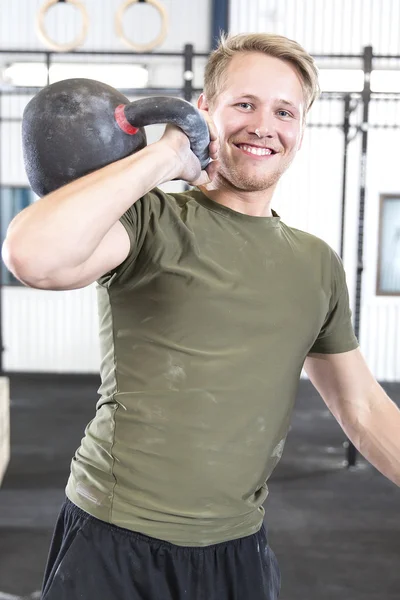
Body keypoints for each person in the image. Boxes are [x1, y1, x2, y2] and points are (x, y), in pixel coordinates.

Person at [3, 32, 400, 600]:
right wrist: (165, 154)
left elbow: (363, 409)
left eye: (284, 111)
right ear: (205, 110)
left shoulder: (316, 264)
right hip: (115, 537)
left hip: (237, 550)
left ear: (300, 132)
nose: (264, 124)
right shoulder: (151, 218)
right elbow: (33, 256)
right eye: (244, 104)